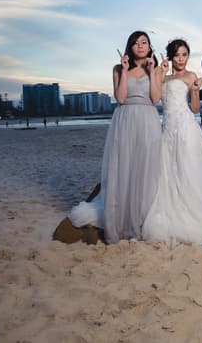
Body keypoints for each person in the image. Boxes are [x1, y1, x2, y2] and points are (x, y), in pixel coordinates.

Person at [69, 31, 165, 244]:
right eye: (136, 43)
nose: (140, 46)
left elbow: (156, 98)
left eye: (144, 43)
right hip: (125, 118)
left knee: (145, 167)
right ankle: (119, 223)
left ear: (150, 47)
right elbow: (121, 98)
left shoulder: (155, 69)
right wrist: (123, 70)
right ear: (130, 47)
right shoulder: (117, 69)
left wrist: (151, 72)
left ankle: (140, 220)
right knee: (123, 167)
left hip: (148, 118)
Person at [142, 38, 202, 246]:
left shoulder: (191, 76)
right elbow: (155, 98)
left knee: (188, 169)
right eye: (177, 55)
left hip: (186, 128)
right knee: (169, 170)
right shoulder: (164, 77)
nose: (181, 59)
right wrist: (157, 72)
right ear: (171, 56)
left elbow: (195, 109)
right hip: (168, 129)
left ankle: (194, 211)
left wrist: (195, 89)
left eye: (184, 55)